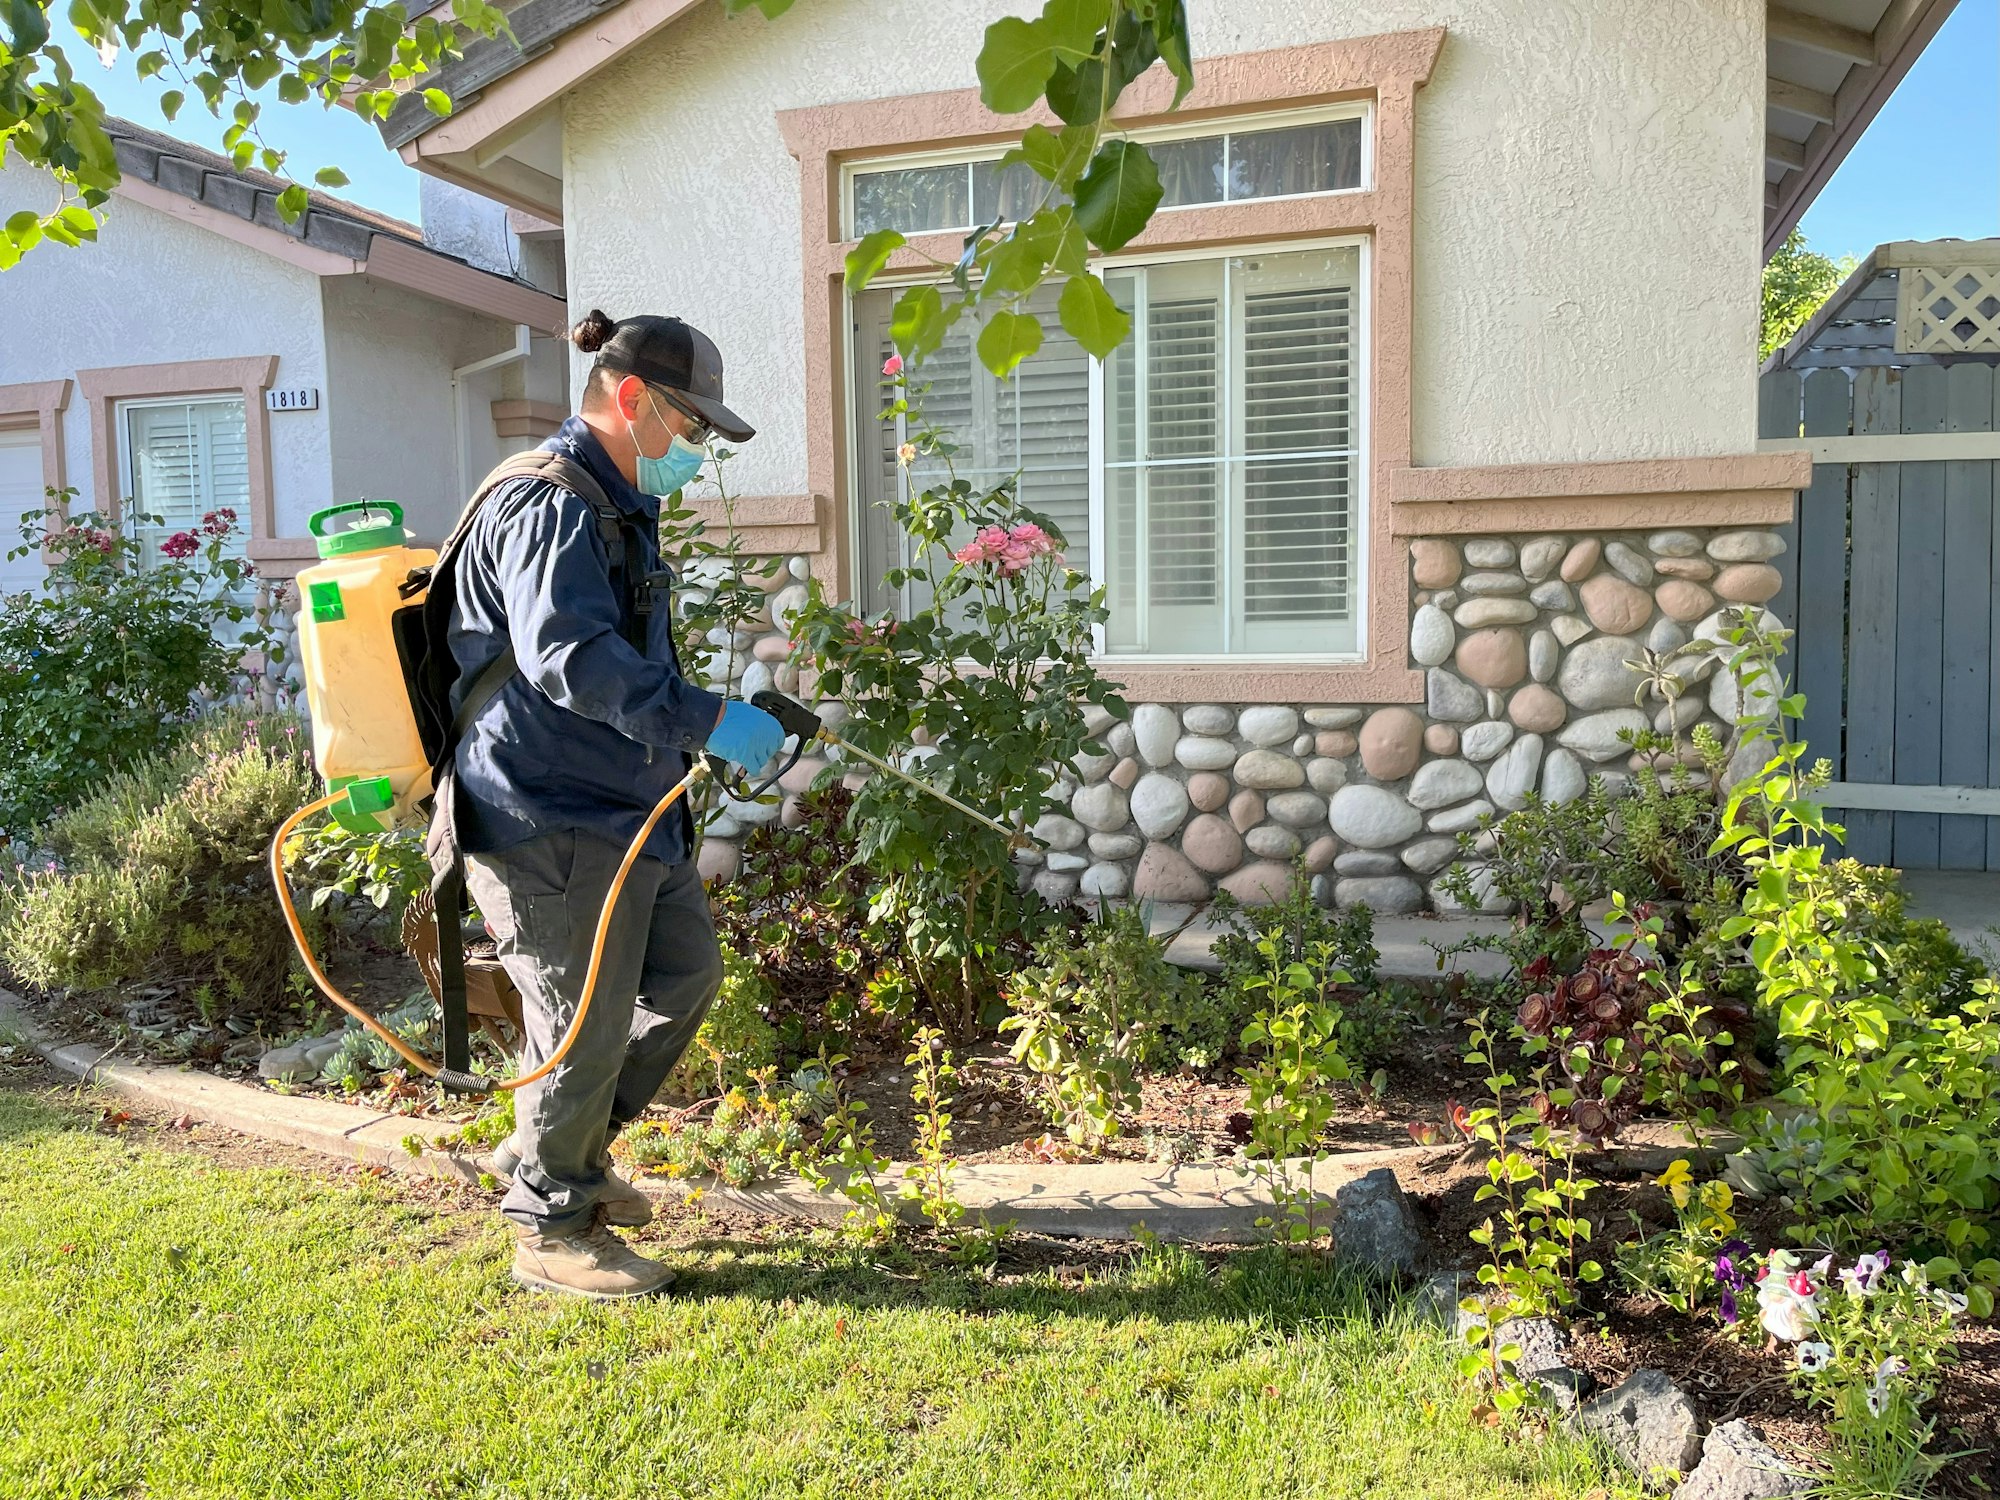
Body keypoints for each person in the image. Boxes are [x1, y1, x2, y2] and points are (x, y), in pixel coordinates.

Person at [444, 308, 784, 1300]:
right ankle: (551, 1227)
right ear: (630, 399)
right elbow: (570, 661)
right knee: (581, 1027)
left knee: (682, 978)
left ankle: (561, 1154)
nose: (695, 452)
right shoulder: (551, 503)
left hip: (624, 807)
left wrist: (698, 724)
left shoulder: (614, 499)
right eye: (689, 428)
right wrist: (706, 720)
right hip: (544, 813)